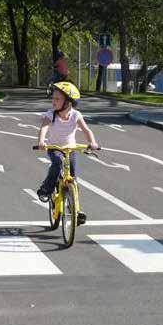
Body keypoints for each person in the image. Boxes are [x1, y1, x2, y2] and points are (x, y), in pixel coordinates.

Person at [36, 81, 98, 225]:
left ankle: (75, 209)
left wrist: (92, 143)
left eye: (57, 98)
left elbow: (87, 130)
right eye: (53, 98)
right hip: (54, 148)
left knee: (73, 180)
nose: (53, 101)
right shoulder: (51, 115)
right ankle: (46, 189)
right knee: (57, 163)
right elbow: (44, 128)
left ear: (68, 102)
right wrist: (41, 142)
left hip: (70, 149)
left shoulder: (76, 115)